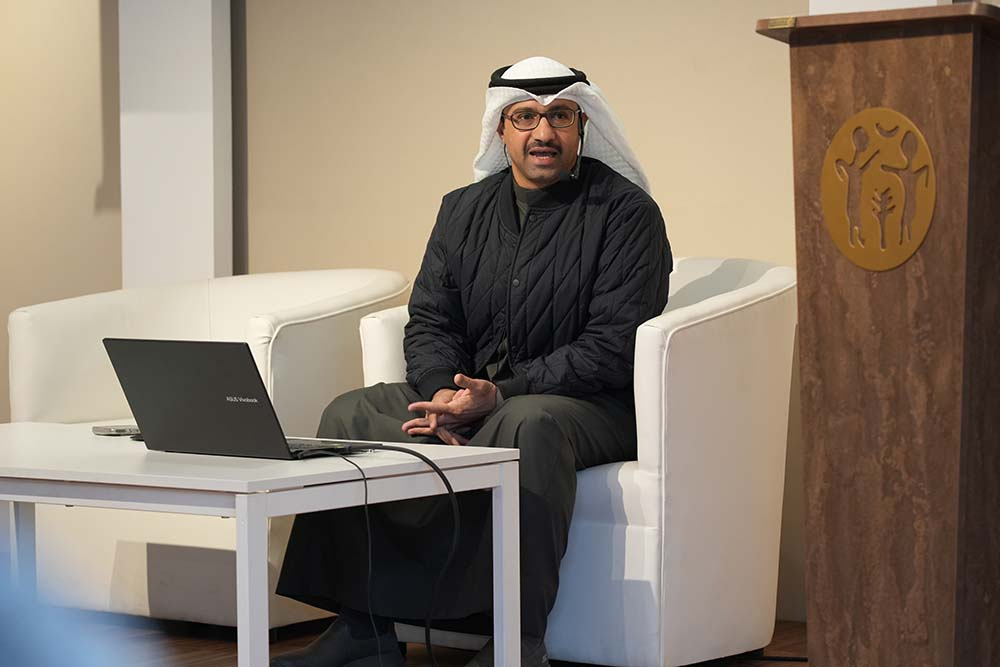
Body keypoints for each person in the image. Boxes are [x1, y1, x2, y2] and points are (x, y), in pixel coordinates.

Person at [271, 56, 672, 667]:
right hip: (476, 399)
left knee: (527, 424)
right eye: (526, 117)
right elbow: (431, 319)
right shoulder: (462, 209)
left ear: (583, 126)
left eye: (561, 117)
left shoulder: (626, 213)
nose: (543, 133)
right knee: (352, 414)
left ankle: (518, 642)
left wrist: (501, 392)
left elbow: (613, 346)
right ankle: (363, 629)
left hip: (589, 406)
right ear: (500, 129)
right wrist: (441, 394)